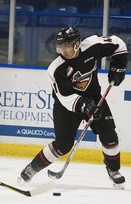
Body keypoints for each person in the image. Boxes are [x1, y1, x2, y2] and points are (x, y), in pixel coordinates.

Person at [19, 27, 127, 189]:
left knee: (109, 135)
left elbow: (119, 44)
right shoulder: (56, 68)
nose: (63, 50)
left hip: (94, 97)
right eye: (61, 46)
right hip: (67, 106)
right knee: (63, 145)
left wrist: (118, 67)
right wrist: (85, 106)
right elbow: (65, 97)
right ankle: (31, 168)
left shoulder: (93, 46)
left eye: (67, 45)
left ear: (77, 43)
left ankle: (114, 171)